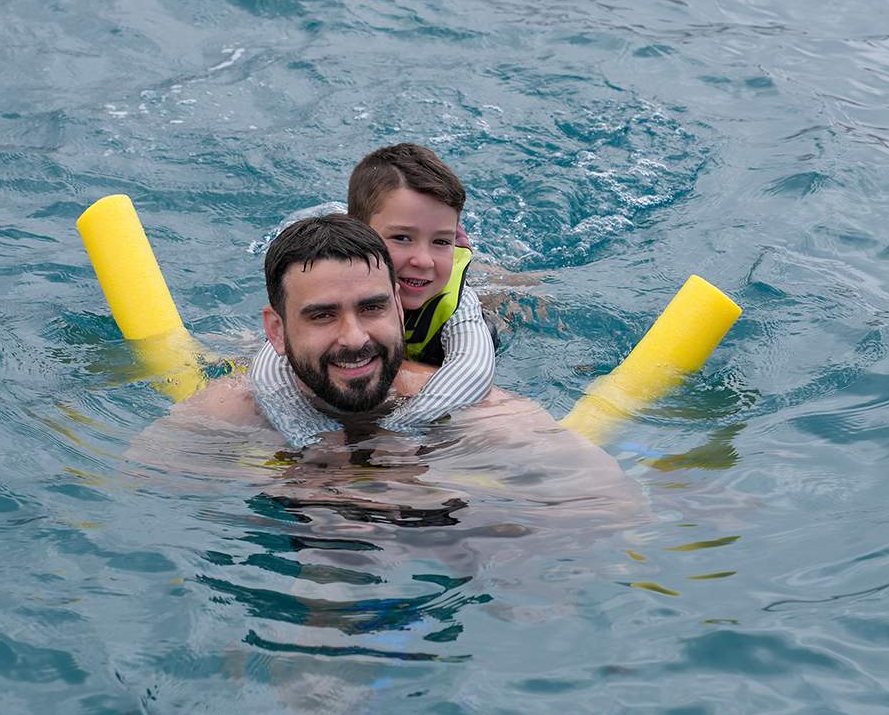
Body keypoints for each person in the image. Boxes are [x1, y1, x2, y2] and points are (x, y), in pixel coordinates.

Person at [137, 214, 645, 521]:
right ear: (277, 330)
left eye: (373, 308)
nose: (354, 338)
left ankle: (479, 276)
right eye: (321, 315)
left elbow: (613, 506)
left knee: (500, 303)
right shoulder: (227, 412)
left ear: (400, 309)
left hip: (479, 332)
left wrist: (464, 505)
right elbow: (141, 500)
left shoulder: (479, 414)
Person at [250, 144, 496, 445]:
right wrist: (314, 438)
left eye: (441, 241)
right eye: (402, 238)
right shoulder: (323, 286)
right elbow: (269, 372)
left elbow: (472, 372)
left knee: (505, 301)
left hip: (485, 308)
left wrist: (397, 430)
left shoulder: (460, 304)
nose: (424, 260)